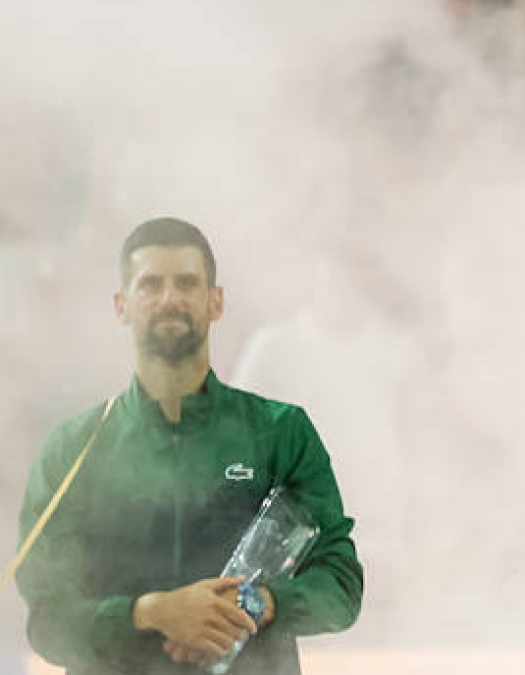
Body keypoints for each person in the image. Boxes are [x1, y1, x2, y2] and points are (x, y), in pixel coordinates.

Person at [16, 218, 363, 674]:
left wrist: (252, 604)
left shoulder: (280, 432)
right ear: (121, 306)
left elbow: (340, 585)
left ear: (216, 301)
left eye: (186, 283)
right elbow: (48, 619)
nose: (170, 299)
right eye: (150, 285)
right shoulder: (73, 449)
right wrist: (150, 614)